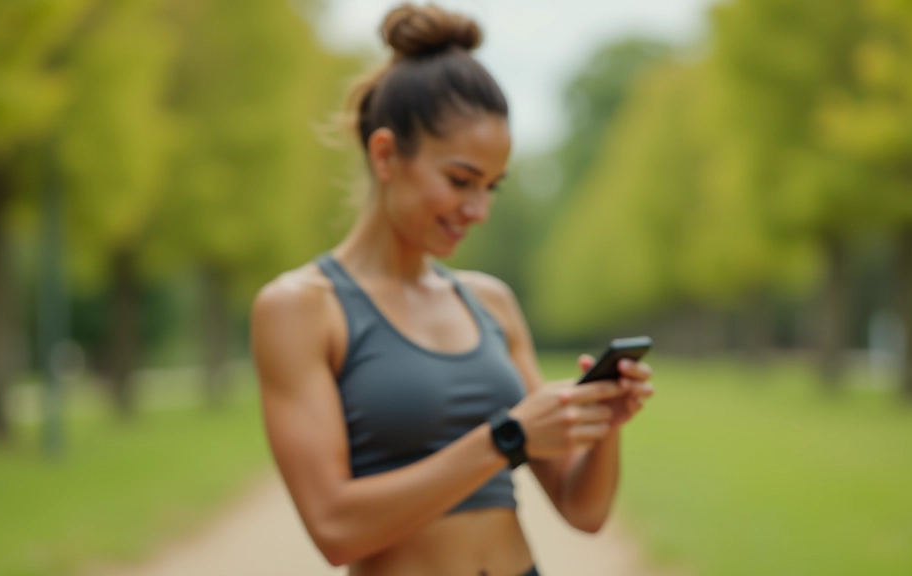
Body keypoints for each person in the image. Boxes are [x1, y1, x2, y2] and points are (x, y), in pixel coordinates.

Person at [250, 4, 655, 575]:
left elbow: (580, 509)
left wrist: (603, 427)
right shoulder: (300, 307)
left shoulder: (491, 303)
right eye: (461, 181)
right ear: (386, 155)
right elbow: (335, 529)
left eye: (492, 187)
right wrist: (505, 439)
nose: (479, 209)